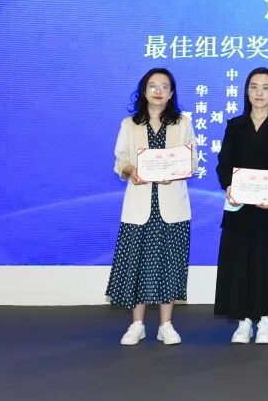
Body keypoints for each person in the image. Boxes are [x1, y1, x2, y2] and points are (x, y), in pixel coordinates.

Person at [108, 68, 196, 346]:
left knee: (169, 264)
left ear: (171, 93)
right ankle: (137, 325)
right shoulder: (130, 124)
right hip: (140, 206)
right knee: (137, 265)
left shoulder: (182, 123)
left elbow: (192, 160)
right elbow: (120, 159)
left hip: (172, 206)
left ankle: (166, 325)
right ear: (144, 91)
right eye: (152, 86)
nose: (158, 91)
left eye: (164, 86)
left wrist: (178, 170)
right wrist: (130, 169)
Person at [214, 67, 268, 344]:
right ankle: (243, 322)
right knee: (238, 265)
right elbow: (224, 163)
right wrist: (229, 186)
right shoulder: (234, 126)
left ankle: (265, 321)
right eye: (253, 87)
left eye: (265, 87)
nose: (259, 93)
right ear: (247, 91)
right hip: (239, 209)